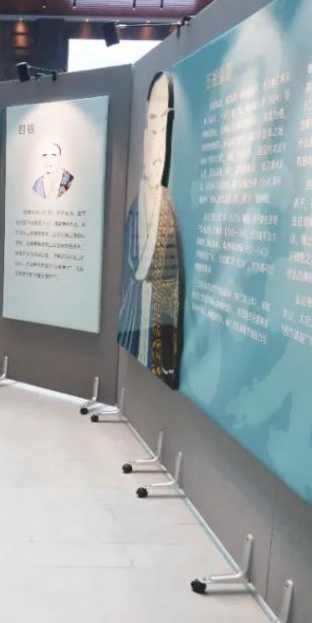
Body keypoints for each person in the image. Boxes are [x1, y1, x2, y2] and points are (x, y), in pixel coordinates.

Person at [117, 71, 183, 389]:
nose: (156, 143)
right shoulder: (136, 207)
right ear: (145, 137)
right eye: (152, 128)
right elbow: (132, 271)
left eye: (163, 130)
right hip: (133, 321)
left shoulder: (168, 212)